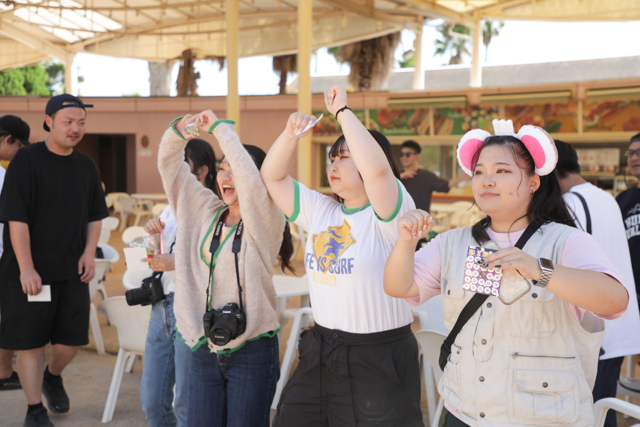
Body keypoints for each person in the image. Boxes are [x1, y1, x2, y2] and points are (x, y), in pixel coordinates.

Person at [384, 119, 628, 427]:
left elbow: (615, 300)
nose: (487, 180)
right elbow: (398, 286)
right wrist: (406, 241)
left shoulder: (567, 241)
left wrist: (539, 270)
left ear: (533, 182)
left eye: (501, 171)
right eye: (479, 172)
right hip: (464, 414)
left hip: (542, 420)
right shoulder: (452, 243)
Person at [262, 86, 423, 426]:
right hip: (322, 347)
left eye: (345, 157)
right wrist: (290, 134)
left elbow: (379, 173)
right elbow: (272, 176)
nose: (334, 164)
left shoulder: (390, 213)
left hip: (379, 355)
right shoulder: (321, 210)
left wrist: (343, 112)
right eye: (332, 158)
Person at [158, 109, 294, 427]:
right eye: (222, 168)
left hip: (252, 348)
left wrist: (221, 130)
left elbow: (253, 188)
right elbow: (170, 169)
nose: (226, 177)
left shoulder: (267, 218)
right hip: (206, 345)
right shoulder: (205, 209)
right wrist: (177, 133)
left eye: (236, 170)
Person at [0, 94, 108, 427]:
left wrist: (90, 253)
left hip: (72, 272)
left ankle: (52, 375)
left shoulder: (86, 165)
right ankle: (35, 410)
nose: (75, 129)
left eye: (81, 123)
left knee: (72, 340)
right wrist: (26, 267)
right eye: (68, 122)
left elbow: (95, 216)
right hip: (32, 274)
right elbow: (16, 219)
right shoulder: (27, 161)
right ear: (49, 121)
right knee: (31, 342)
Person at [555, 138, 640, 427]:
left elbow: (569, 269)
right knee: (603, 409)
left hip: (594, 329)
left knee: (588, 413)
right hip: (618, 323)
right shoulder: (603, 196)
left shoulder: (570, 203)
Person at [137, 138, 217, 427]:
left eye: (181, 169)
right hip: (160, 309)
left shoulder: (213, 210)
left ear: (202, 171)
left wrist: (176, 262)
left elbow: (218, 262)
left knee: (186, 404)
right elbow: (157, 256)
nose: (173, 177)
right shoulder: (170, 208)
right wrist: (152, 235)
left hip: (192, 308)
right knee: (152, 403)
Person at [0, 115, 30, 392]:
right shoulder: (4, 175)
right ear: (8, 139)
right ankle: (4, 372)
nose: (19, 154)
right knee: (6, 315)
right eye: (19, 146)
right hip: (3, 259)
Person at [399, 139, 467, 213]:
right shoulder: (396, 176)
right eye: (401, 154)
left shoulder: (426, 176)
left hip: (422, 221)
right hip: (400, 221)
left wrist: (462, 177)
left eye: (408, 154)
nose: (404, 157)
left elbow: (446, 184)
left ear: (416, 156)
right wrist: (401, 176)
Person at [617, 132, 640, 300]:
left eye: (639, 152)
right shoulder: (622, 199)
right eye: (630, 153)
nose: (634, 157)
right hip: (631, 290)